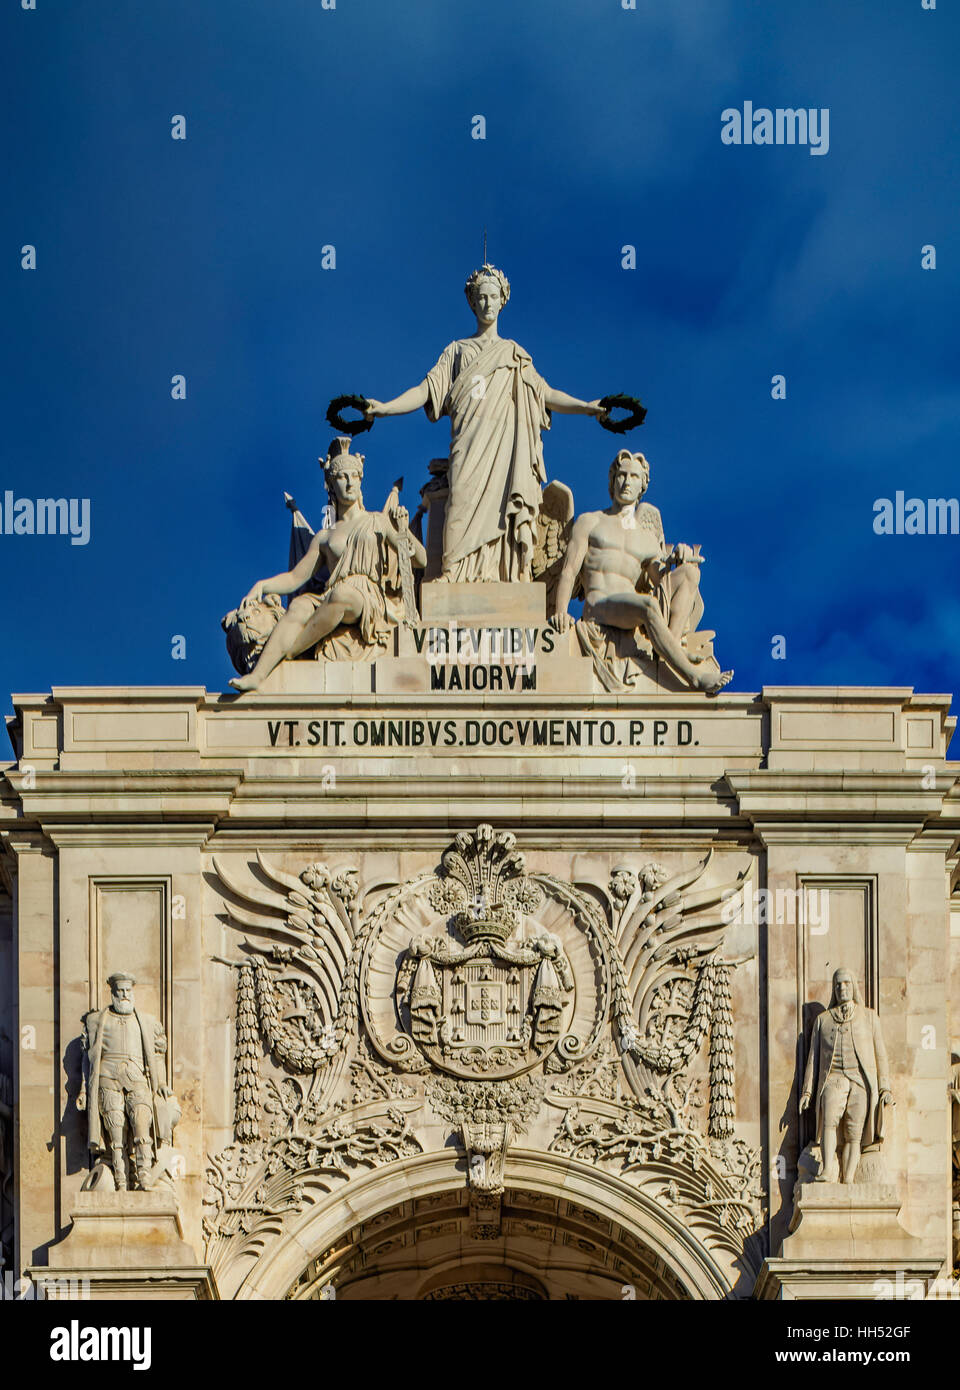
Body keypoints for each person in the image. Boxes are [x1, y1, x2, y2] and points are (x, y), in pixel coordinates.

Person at [363, 264, 604, 582]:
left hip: (506, 449)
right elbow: (425, 390)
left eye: (493, 297)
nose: (487, 304)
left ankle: (505, 575)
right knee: (460, 502)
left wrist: (586, 407)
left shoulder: (514, 355)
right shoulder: (457, 351)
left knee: (504, 511)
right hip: (469, 443)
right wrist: (386, 408)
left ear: (502, 300)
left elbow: (545, 393)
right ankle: (453, 572)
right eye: (481, 298)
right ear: (471, 302)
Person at [229, 439, 426, 692]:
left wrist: (403, 532)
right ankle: (258, 675)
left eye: (354, 476)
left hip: (366, 596)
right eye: (342, 477)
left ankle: (292, 651)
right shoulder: (325, 537)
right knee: (300, 604)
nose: (350, 482)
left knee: (342, 596)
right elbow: (294, 579)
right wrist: (262, 585)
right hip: (332, 593)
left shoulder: (378, 521)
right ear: (332, 485)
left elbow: (421, 560)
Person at [550, 449, 732, 694]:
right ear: (612, 480)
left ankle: (671, 645)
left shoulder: (646, 539)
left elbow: (660, 581)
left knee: (690, 574)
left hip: (631, 606)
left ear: (642, 485)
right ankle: (695, 677)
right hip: (600, 605)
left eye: (634, 477)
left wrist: (678, 557)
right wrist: (560, 611)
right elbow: (569, 571)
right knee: (647, 605)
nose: (626, 482)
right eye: (621, 475)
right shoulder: (590, 521)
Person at [78, 973, 172, 1191]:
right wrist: (84, 1090)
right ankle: (121, 1181)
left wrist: (161, 1084)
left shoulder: (147, 1022)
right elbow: (89, 1059)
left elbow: (157, 1056)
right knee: (116, 1135)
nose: (123, 995)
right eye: (119, 991)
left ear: (133, 992)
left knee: (142, 1126)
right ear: (112, 993)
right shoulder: (95, 1022)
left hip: (138, 1079)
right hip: (107, 1080)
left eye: (127, 991)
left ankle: (144, 1177)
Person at [800, 967, 893, 1184]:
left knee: (854, 1133)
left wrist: (885, 1088)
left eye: (846, 983)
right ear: (834, 989)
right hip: (834, 1078)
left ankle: (849, 1178)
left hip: (860, 1081)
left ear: (853, 987)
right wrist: (807, 1091)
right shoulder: (823, 1020)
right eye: (838, 984)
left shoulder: (869, 1017)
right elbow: (813, 1059)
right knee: (828, 1121)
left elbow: (881, 1055)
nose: (842, 988)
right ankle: (827, 1170)